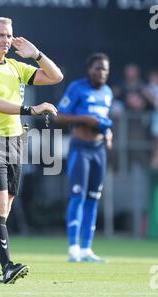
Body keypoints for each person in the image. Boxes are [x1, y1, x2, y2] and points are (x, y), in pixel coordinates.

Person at [0, 17, 62, 283]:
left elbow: (56, 76)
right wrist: (30, 110)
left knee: (0, 212)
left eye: (8, 35)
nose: (5, 40)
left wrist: (37, 55)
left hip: (14, 143)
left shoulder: (17, 67)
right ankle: (7, 266)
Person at [56, 53, 113, 263]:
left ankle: (87, 248)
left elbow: (105, 120)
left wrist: (108, 133)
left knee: (93, 198)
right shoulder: (77, 88)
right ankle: (73, 247)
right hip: (80, 148)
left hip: (99, 150)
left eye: (105, 69)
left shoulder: (107, 92)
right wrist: (84, 119)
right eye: (98, 68)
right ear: (89, 69)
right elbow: (59, 115)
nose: (102, 73)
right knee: (77, 196)